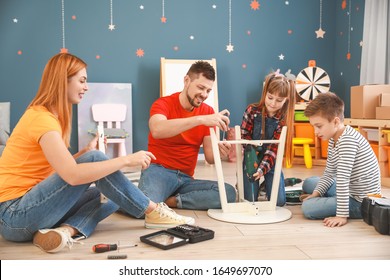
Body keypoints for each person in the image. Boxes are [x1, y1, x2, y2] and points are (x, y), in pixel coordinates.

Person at [0, 53, 194, 254]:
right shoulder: (42, 120)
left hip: (28, 210)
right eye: (82, 81)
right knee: (98, 163)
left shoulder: (47, 117)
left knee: (112, 195)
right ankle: (153, 211)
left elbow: (55, 169)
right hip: (13, 215)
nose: (86, 87)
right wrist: (126, 160)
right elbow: (72, 176)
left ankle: (64, 232)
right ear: (62, 80)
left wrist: (84, 152)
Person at [138, 61, 237, 210]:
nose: (204, 94)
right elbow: (157, 130)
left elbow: (210, 157)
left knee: (228, 193)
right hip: (158, 171)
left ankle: (171, 201)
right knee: (142, 208)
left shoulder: (208, 112)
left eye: (208, 91)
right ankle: (156, 199)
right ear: (186, 81)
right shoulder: (163, 104)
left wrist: (221, 152)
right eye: (201, 87)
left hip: (185, 179)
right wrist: (200, 120)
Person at [301, 92, 381, 227]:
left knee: (308, 208)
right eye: (313, 126)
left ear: (336, 121)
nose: (315, 131)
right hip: (349, 189)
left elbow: (343, 178)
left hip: (361, 201)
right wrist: (316, 194)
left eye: (319, 126)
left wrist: (341, 215)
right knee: (309, 183)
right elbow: (329, 172)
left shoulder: (348, 140)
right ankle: (329, 199)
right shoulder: (334, 138)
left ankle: (337, 205)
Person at [240, 70, 296, 206]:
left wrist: (262, 169)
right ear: (265, 93)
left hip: (271, 160)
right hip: (252, 157)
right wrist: (252, 160)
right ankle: (247, 184)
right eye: (270, 97)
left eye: (279, 100)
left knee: (279, 203)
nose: (273, 103)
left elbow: (273, 150)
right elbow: (244, 136)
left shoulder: (283, 120)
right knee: (250, 201)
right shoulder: (251, 111)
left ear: (286, 100)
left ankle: (266, 186)